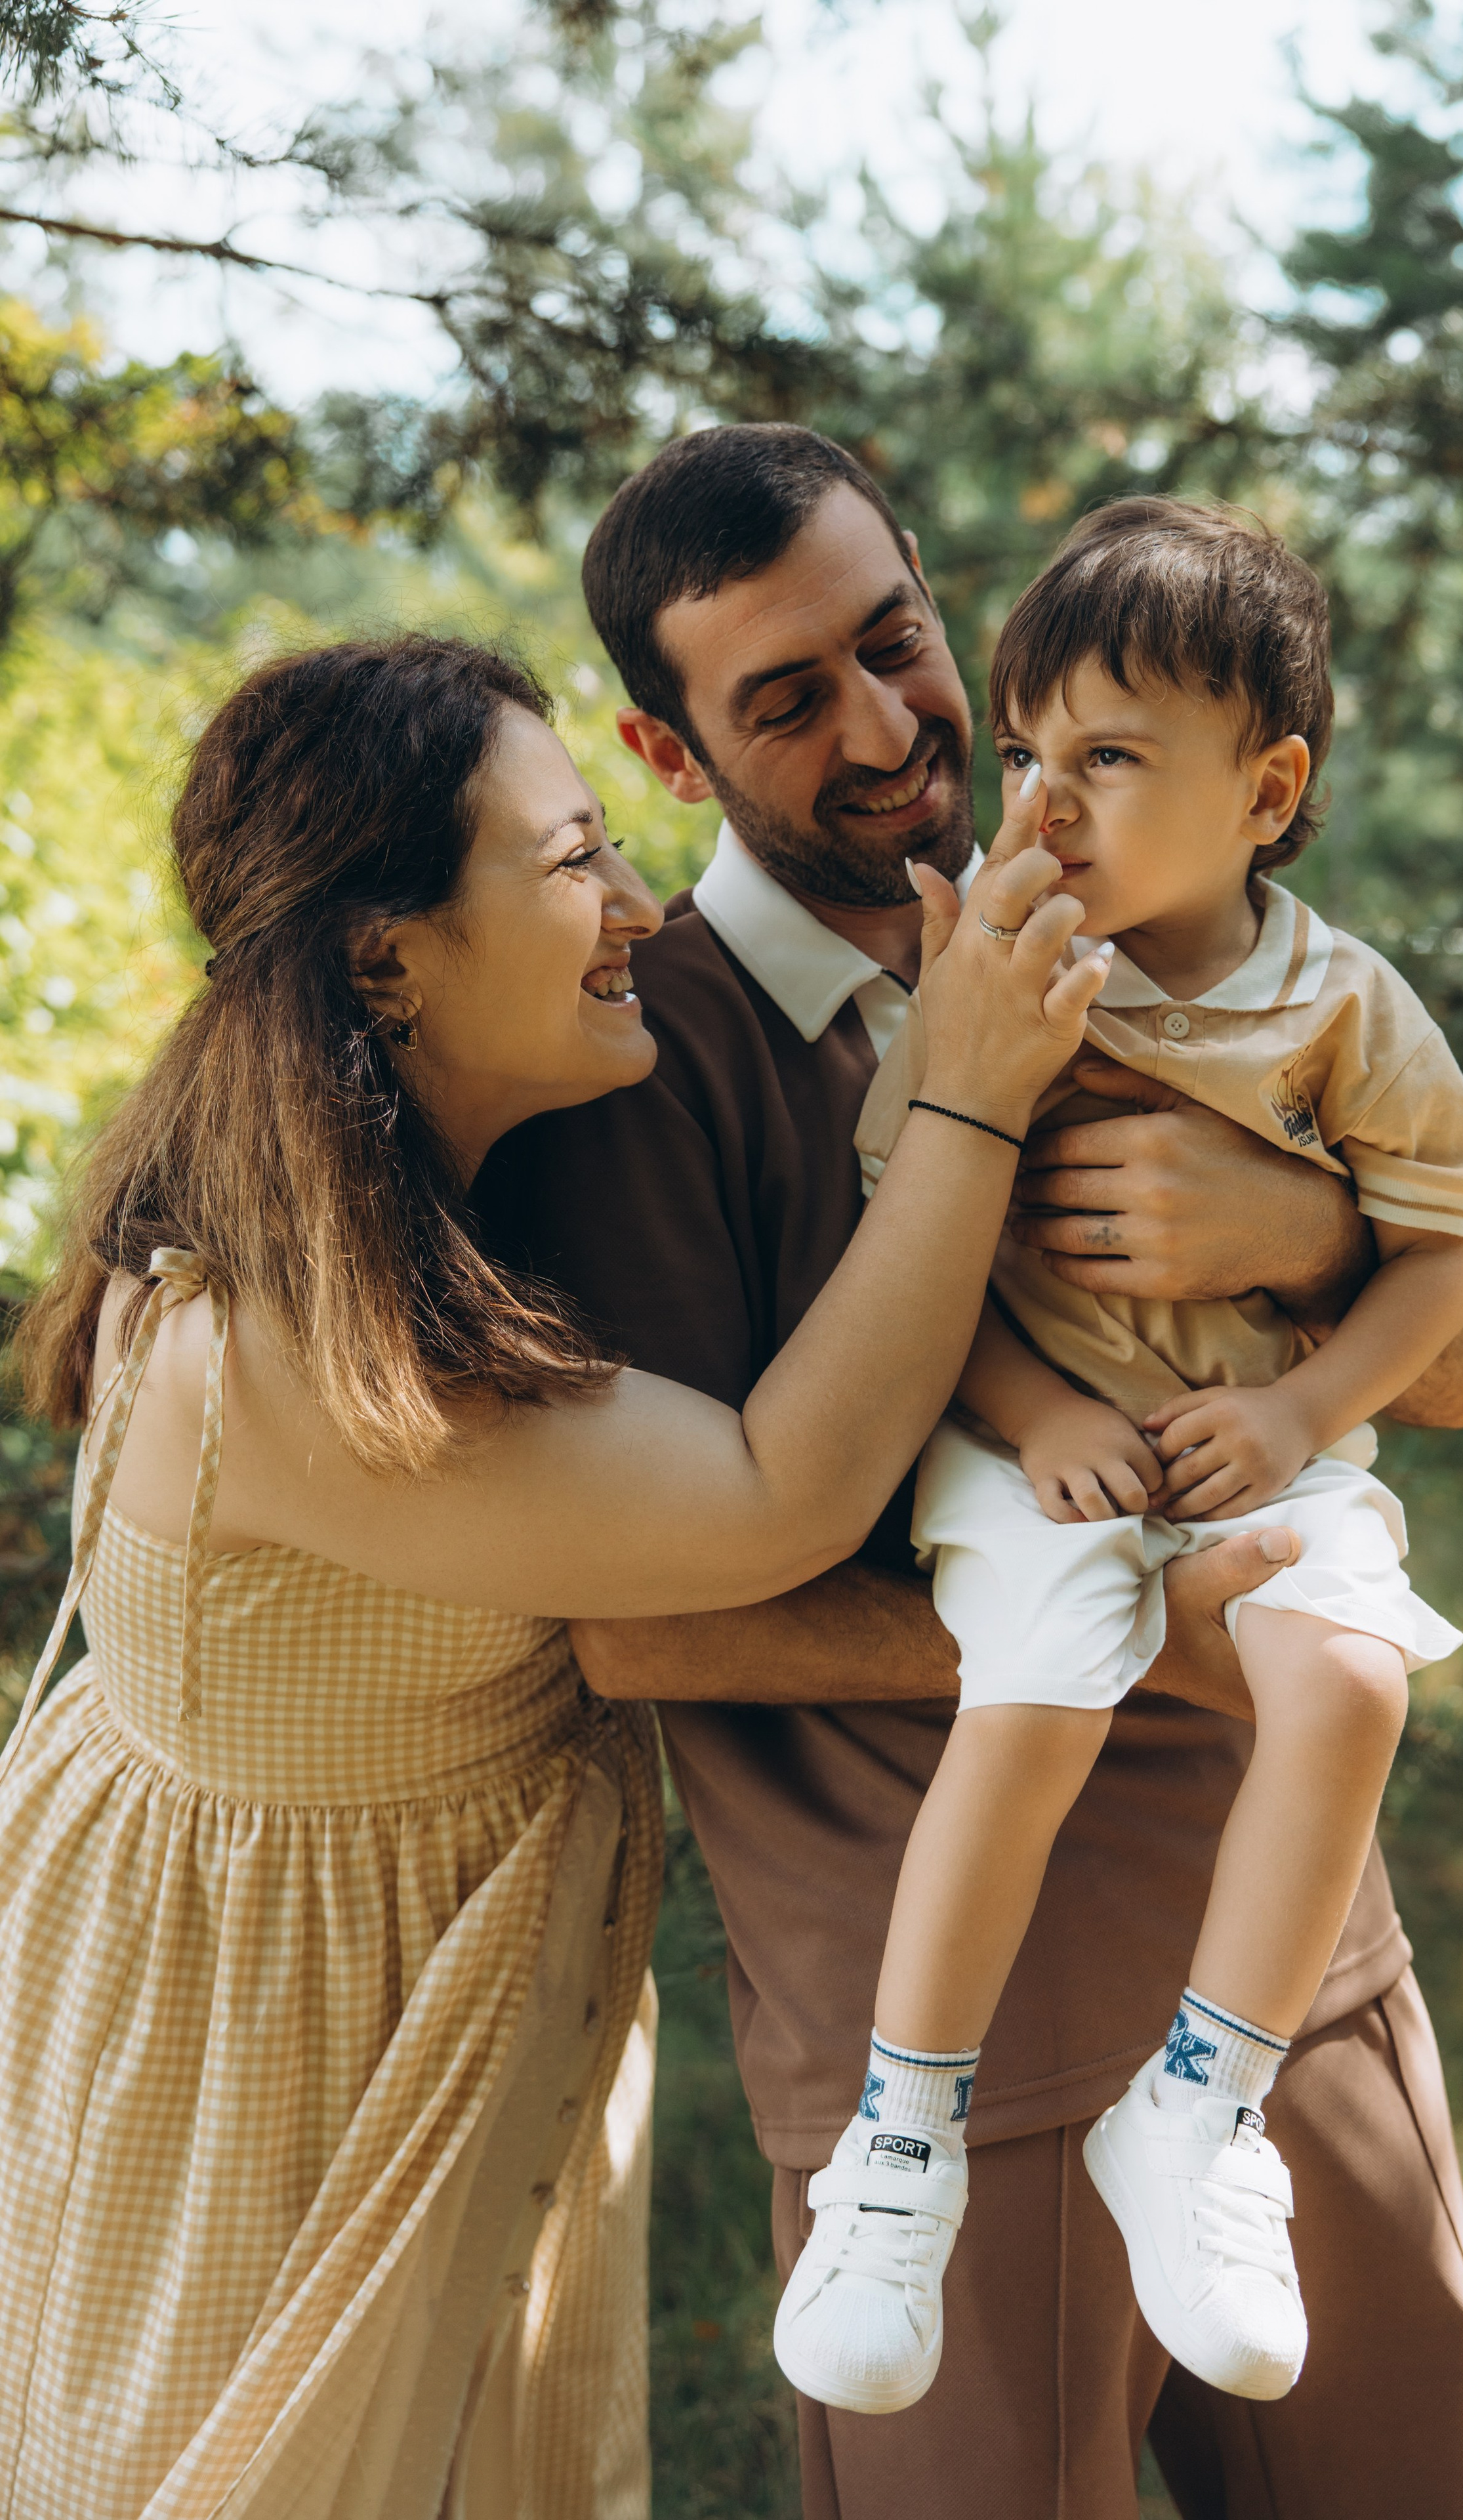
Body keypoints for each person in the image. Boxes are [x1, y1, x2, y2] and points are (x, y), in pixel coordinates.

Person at [475, 425, 1463, 2520]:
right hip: (941, 2067)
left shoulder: (1169, 893)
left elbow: (1454, 1358)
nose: (888, 727)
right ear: (667, 756)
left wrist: (1299, 1237)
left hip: (1280, 1967)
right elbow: (642, 1615)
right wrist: (1146, 1647)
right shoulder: (638, 1074)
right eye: (785, 698)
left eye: (897, 638)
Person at [0, 632, 1098, 2519]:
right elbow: (777, 1491)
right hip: (279, 2049)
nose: (639, 902)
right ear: (384, 957)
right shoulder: (295, 1353)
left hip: (333, 1967)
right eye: (572, 856)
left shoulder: (340, 1206)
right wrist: (974, 1095)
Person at [773, 495, 1463, 2418]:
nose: (1045, 800)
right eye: (1027, 754)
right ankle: (900, 2142)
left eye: (1108, 755)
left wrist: (1295, 1408)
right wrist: (1035, 1416)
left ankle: (1202, 2106)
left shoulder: (1342, 1004)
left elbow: (1441, 1277)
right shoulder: (1008, 971)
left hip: (1264, 1440)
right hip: (1042, 1448)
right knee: (1036, 1697)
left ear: (1268, 792)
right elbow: (919, 1245)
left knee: (1351, 1679)